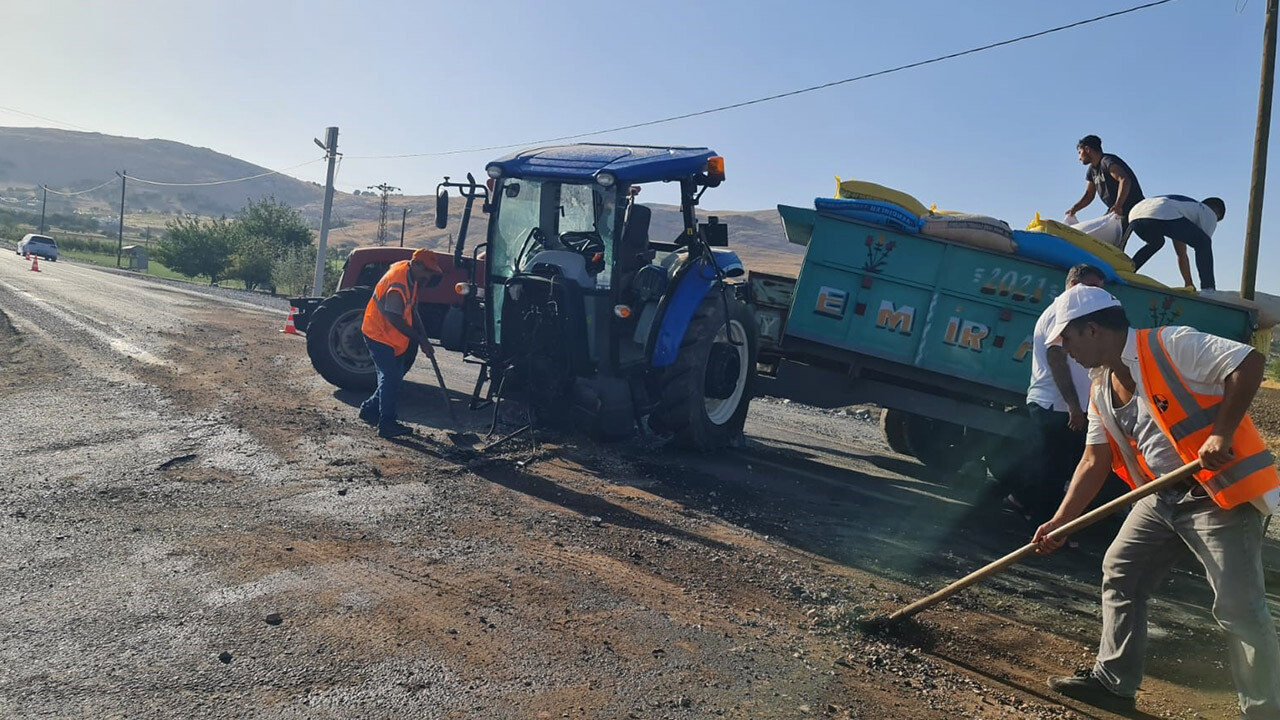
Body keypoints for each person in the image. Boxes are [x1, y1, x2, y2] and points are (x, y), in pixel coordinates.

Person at [1032, 284, 1280, 717]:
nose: (1064, 351)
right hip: (1161, 497)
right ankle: (1113, 683)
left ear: (1091, 329)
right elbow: (1095, 460)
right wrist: (1061, 521)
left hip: (1215, 496)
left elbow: (1248, 361)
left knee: (1239, 606)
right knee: (1121, 571)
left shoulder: (1170, 345)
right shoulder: (1100, 387)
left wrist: (1221, 433)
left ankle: (1263, 709)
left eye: (1066, 340)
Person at [1004, 264, 1107, 522]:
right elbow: (1057, 360)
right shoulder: (1059, 315)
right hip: (1055, 406)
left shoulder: (1074, 315)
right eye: (1092, 288)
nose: (1096, 296)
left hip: (1065, 406)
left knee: (1056, 464)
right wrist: (1074, 405)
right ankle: (1045, 526)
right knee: (1056, 470)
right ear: (1074, 285)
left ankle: (1020, 500)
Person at [359, 248, 444, 438]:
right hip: (378, 333)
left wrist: (423, 337)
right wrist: (420, 340)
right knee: (389, 377)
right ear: (416, 265)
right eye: (427, 271)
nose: (429, 276)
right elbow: (394, 317)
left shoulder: (411, 275)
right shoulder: (397, 282)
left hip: (392, 337)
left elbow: (411, 308)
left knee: (394, 377)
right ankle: (387, 423)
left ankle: (369, 409)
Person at [1127, 195, 1225, 291]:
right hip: (1162, 211)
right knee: (1204, 243)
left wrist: (1188, 283)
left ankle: (1128, 270)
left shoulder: (1183, 209)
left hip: (1135, 215)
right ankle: (1208, 289)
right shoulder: (1208, 212)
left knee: (1156, 243)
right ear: (1217, 213)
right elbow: (1204, 247)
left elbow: (1181, 254)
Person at [1066, 135, 1145, 230]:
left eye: (1079, 152)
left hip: (1131, 207)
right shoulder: (1091, 170)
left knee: (1117, 239)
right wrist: (1074, 209)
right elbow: (1089, 194)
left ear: (1087, 149)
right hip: (1115, 209)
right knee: (1097, 230)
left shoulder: (1107, 161)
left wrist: (1118, 205)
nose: (1079, 157)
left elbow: (1124, 179)